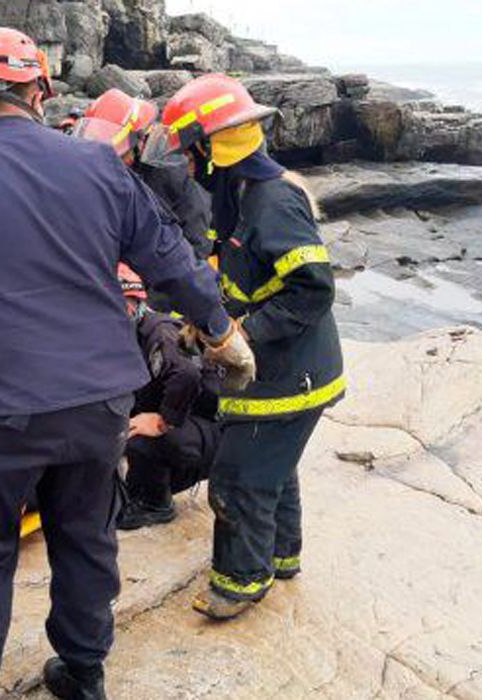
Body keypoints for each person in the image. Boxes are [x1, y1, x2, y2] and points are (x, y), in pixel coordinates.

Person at [0, 27, 252, 700]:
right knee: (85, 538)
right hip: (98, 400)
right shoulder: (97, 166)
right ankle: (83, 674)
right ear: (41, 90)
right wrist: (222, 329)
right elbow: (173, 259)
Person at [158, 74, 345, 620]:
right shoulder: (236, 193)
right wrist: (212, 315)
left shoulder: (273, 201)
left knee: (240, 476)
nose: (185, 163)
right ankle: (282, 556)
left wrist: (242, 335)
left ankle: (240, 582)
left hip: (291, 373)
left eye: (189, 150)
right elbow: (238, 269)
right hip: (277, 368)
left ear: (212, 147)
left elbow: (313, 287)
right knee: (274, 469)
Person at [114, 264, 220, 531]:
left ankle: (154, 503)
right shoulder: (129, 335)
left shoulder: (159, 332)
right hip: (194, 425)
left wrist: (163, 421)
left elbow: (186, 375)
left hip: (214, 433)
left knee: (135, 433)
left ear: (131, 304)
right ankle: (148, 486)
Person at [78, 89, 214, 261]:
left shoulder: (173, 174)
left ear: (140, 143)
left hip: (164, 269)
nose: (108, 163)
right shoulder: (92, 171)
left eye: (119, 156)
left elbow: (197, 246)